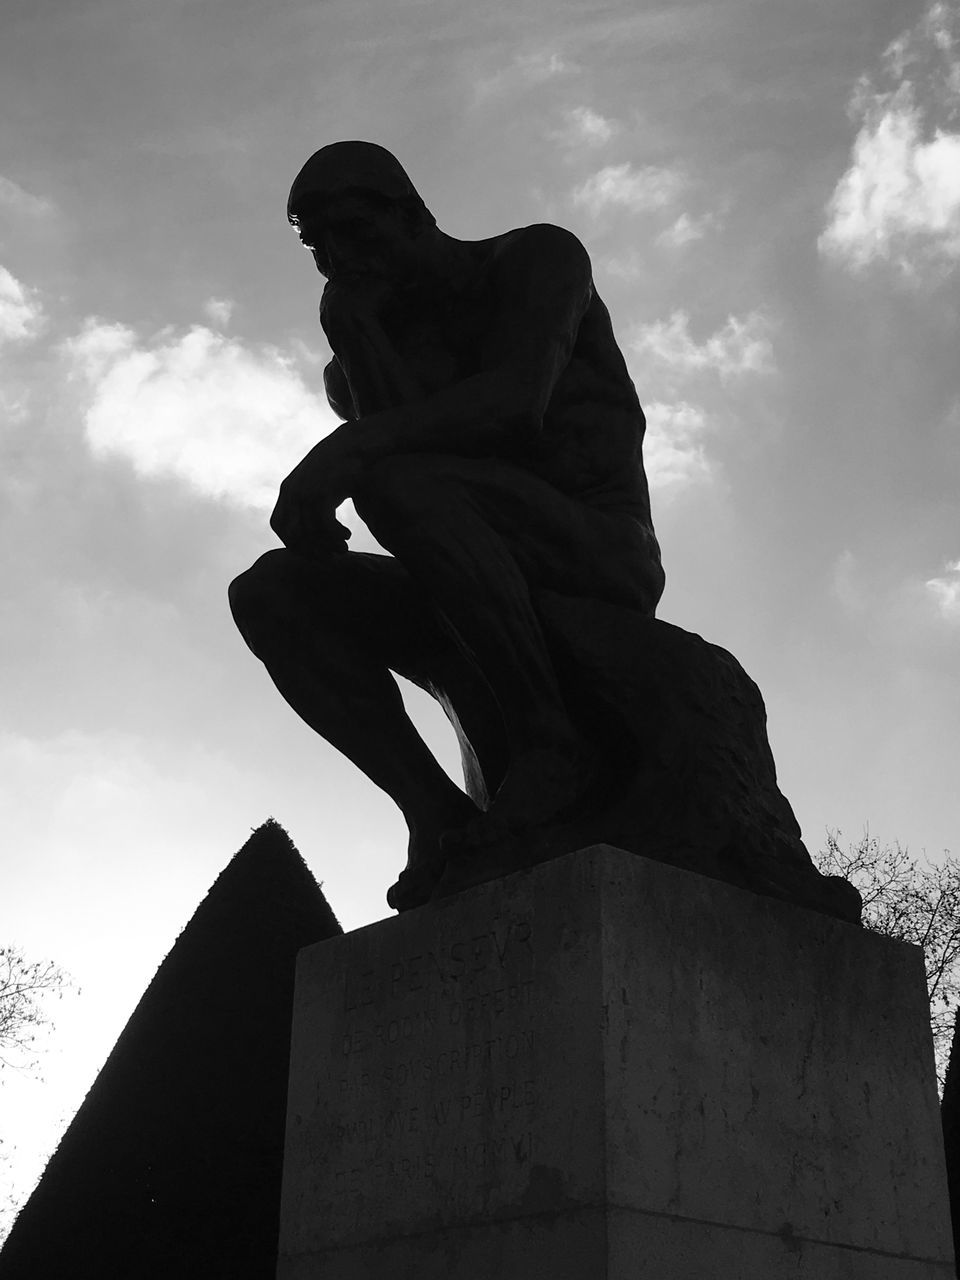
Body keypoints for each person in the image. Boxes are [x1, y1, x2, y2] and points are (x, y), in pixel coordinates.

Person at [228, 141, 665, 910]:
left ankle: (547, 742)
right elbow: (407, 450)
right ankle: (434, 814)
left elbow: (513, 409)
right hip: (459, 563)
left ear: (413, 214)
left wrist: (352, 446)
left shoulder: (534, 260)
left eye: (355, 230)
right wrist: (354, 335)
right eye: (316, 245)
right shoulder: (359, 349)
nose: (337, 256)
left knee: (394, 476)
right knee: (273, 590)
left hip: (596, 549)